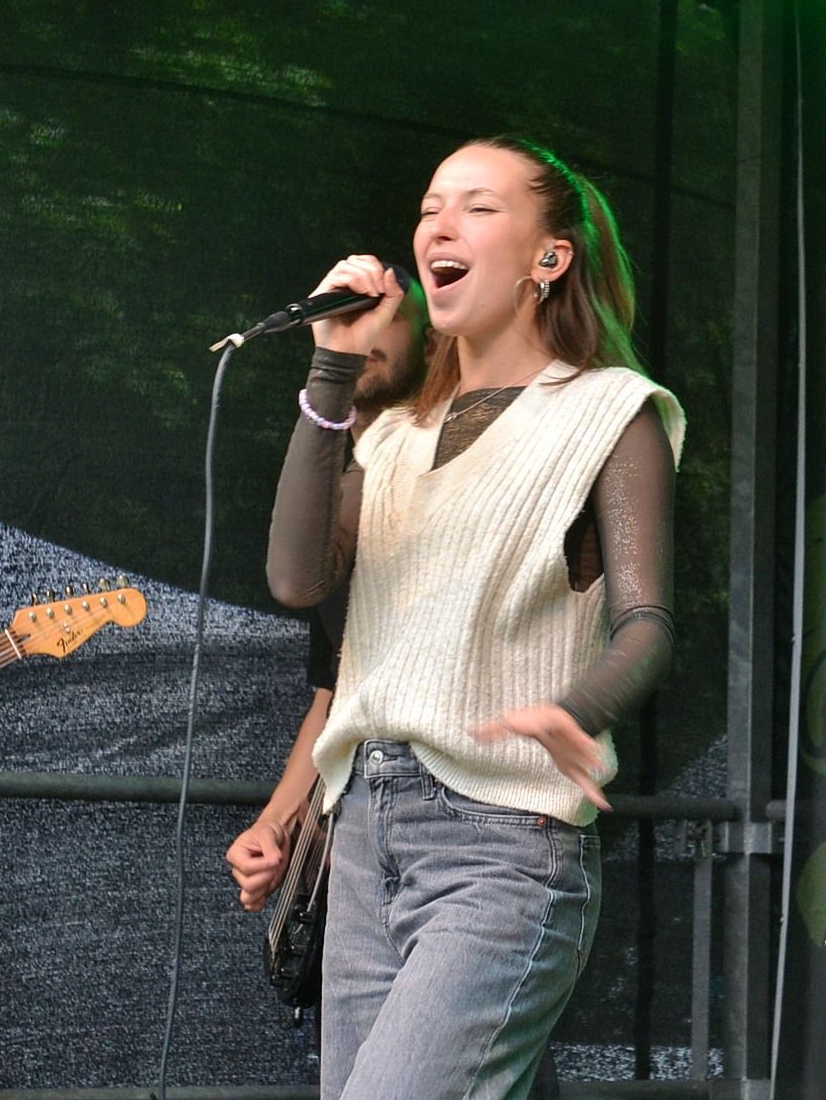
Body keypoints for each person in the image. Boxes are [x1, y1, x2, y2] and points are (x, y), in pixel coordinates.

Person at [266, 137, 682, 1100]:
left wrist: (579, 708)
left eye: (478, 207)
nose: (439, 226)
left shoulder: (611, 413)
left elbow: (649, 619)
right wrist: (331, 374)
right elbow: (295, 578)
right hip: (366, 830)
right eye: (428, 207)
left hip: (505, 845)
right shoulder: (395, 434)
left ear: (551, 256)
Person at [227, 274, 429, 918]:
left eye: (388, 311)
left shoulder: (437, 467)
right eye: (354, 308)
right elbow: (338, 687)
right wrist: (279, 824)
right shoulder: (331, 480)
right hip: (363, 830)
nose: (368, 325)